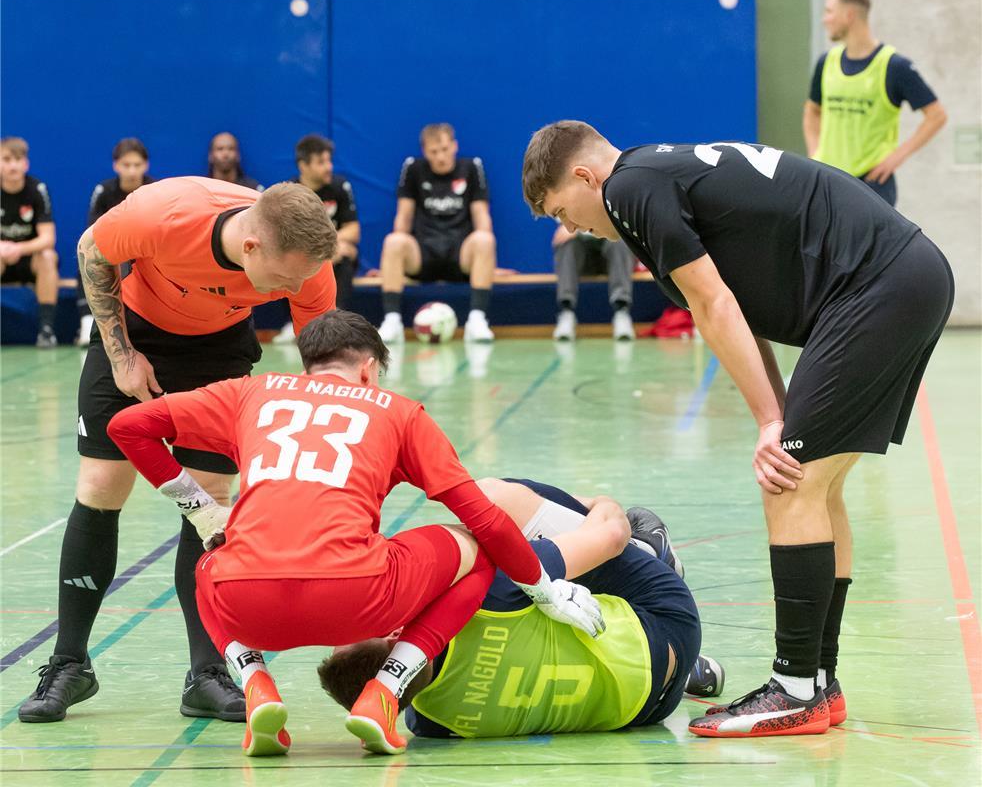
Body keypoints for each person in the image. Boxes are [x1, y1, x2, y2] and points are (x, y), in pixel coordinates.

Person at [522, 121, 954, 737]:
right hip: (902, 276)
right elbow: (735, 310)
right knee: (815, 485)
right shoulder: (652, 176)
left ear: (587, 177)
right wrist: (777, 415)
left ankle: (794, 688)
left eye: (565, 211)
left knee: (789, 482)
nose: (573, 229)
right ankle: (818, 684)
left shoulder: (630, 189)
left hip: (878, 283)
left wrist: (771, 422)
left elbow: (714, 305)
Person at [106, 310, 605, 756]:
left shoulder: (249, 392)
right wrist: (545, 590)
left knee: (207, 565)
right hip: (357, 597)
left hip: (248, 607)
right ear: (369, 369)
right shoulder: (397, 410)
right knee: (477, 548)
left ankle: (255, 681)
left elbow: (128, 427)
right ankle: (384, 693)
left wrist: (204, 513)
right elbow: (485, 518)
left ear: (308, 364)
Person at [18, 178, 338, 725]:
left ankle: (206, 674)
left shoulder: (307, 265)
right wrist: (121, 356)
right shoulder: (164, 214)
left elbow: (321, 363)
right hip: (135, 330)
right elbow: (91, 251)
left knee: (209, 498)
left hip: (219, 349)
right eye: (287, 279)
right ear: (251, 248)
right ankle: (69, 663)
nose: (296, 288)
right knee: (100, 488)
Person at [321, 477, 725, 741]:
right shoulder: (483, 595)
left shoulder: (430, 721)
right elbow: (611, 536)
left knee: (546, 618)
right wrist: (601, 503)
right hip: (666, 618)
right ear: (394, 635)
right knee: (491, 503)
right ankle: (653, 551)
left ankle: (690, 670)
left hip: (647, 708)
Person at [803, 0, 947, 207]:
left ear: (849, 15)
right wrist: (815, 154)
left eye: (829, 11)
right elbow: (812, 112)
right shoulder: (827, 62)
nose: (824, 19)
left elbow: (937, 116)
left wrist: (895, 158)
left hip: (872, 185)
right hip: (828, 180)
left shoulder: (894, 66)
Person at [377, 124, 495, 344]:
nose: (440, 156)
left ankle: (477, 320)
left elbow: (482, 216)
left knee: (485, 239)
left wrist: (488, 261)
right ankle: (392, 321)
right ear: (425, 151)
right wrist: (392, 264)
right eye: (434, 151)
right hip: (424, 253)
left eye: (444, 148)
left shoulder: (472, 167)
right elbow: (403, 217)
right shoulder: (413, 168)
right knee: (393, 241)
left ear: (454, 146)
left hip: (460, 255)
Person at [273, 134, 360, 343]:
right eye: (321, 162)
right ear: (303, 165)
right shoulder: (289, 192)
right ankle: (293, 322)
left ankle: (336, 319)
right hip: (304, 254)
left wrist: (331, 246)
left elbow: (353, 230)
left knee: (346, 252)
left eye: (329, 161)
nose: (329, 167)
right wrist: (322, 247)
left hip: (335, 253)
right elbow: (282, 235)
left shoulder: (340, 187)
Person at [78, 138, 154, 346]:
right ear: (116, 165)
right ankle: (88, 320)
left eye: (137, 165)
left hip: (146, 254)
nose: (131, 171)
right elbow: (92, 231)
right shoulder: (103, 191)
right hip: (114, 250)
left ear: (145, 165)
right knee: (86, 256)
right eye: (126, 165)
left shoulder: (154, 190)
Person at [0, 137, 60, 347]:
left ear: (26, 163)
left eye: (18, 159)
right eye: (6, 159)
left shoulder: (37, 190)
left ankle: (46, 330)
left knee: (47, 256)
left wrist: (18, 248)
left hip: (28, 260)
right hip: (2, 261)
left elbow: (48, 238)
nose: (12, 165)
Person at [551, 225, 635, 341]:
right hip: (584, 261)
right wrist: (572, 230)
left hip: (610, 256)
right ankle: (566, 312)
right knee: (566, 241)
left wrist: (578, 230)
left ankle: (621, 312)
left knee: (620, 238)